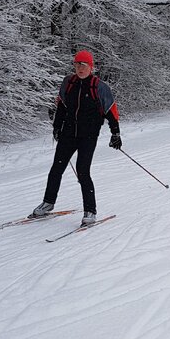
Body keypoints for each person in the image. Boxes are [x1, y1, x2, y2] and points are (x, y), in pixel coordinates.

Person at [30, 50, 121, 226]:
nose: (80, 68)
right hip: (68, 133)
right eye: (77, 64)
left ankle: (90, 211)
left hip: (88, 136)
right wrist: (57, 127)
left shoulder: (99, 86)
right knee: (56, 169)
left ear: (91, 67)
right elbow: (62, 107)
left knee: (83, 171)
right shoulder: (68, 83)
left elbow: (111, 111)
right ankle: (48, 203)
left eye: (83, 65)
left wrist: (115, 133)